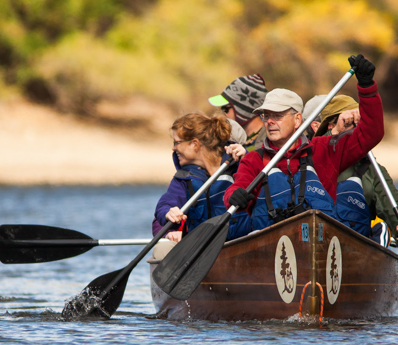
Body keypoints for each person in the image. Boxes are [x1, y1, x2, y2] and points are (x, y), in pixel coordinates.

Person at [223, 54, 382, 236]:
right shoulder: (253, 159)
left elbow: (372, 133)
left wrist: (367, 87)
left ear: (298, 119)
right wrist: (234, 196)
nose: (270, 122)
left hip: (319, 237)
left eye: (278, 115)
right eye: (266, 116)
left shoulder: (325, 149)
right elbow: (236, 189)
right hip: (271, 242)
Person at [309, 94, 398, 247]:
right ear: (330, 126)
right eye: (348, 122)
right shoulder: (309, 155)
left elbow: (392, 205)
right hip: (311, 237)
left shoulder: (373, 170)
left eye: (358, 123)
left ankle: (378, 238)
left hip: (352, 243)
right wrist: (335, 135)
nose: (354, 129)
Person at [152, 112, 249, 243]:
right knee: (162, 249)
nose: (173, 148)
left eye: (177, 142)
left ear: (195, 144)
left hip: (239, 243)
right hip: (202, 249)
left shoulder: (238, 162)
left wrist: (247, 157)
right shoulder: (184, 178)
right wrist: (168, 212)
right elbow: (166, 203)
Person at [208, 74, 268, 151]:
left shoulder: (268, 143)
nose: (223, 115)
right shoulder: (234, 140)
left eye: (225, 109)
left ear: (243, 111)